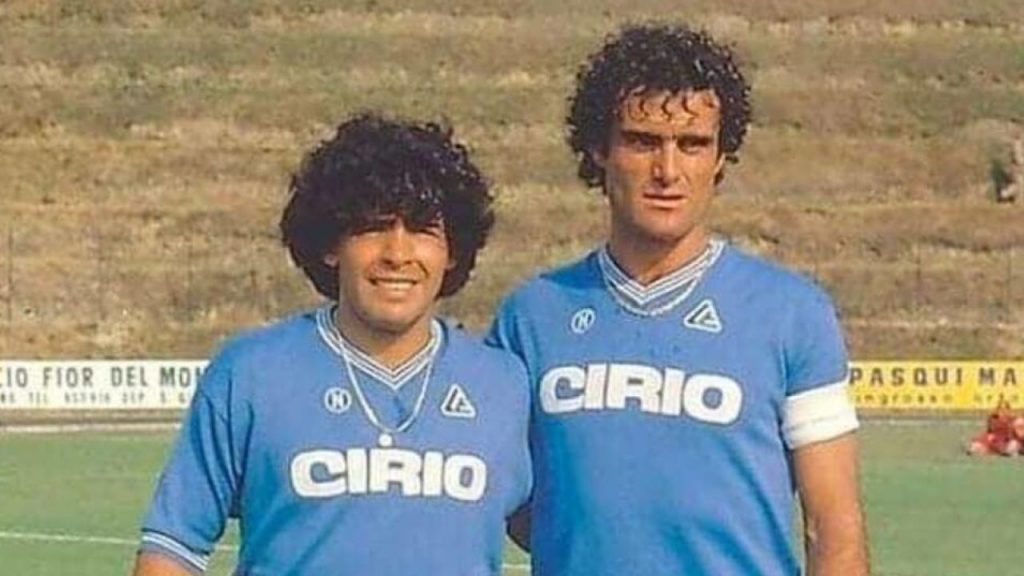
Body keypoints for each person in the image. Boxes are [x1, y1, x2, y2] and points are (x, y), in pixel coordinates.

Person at [487, 23, 869, 575]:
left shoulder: (793, 314)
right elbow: (510, 504)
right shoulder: (530, 317)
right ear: (599, 149)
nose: (667, 171)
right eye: (642, 141)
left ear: (720, 157)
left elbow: (833, 531)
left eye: (692, 144)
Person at [132, 113, 531, 575]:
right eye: (372, 228)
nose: (397, 254)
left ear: (453, 251)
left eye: (422, 230)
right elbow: (171, 549)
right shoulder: (250, 373)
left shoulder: (506, 385)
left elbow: (566, 530)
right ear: (330, 245)